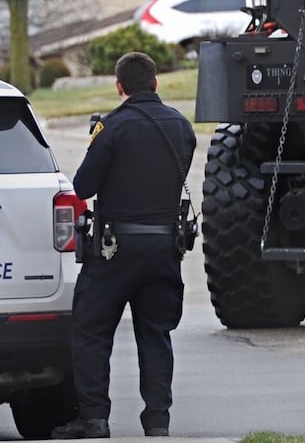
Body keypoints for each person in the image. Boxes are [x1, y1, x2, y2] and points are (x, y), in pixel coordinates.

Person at [53, 52, 198, 439]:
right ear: (156, 82)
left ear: (120, 86)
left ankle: (95, 420)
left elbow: (83, 187)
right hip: (165, 249)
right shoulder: (181, 127)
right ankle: (157, 422)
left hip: (115, 251)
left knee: (91, 332)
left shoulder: (113, 127)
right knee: (155, 335)